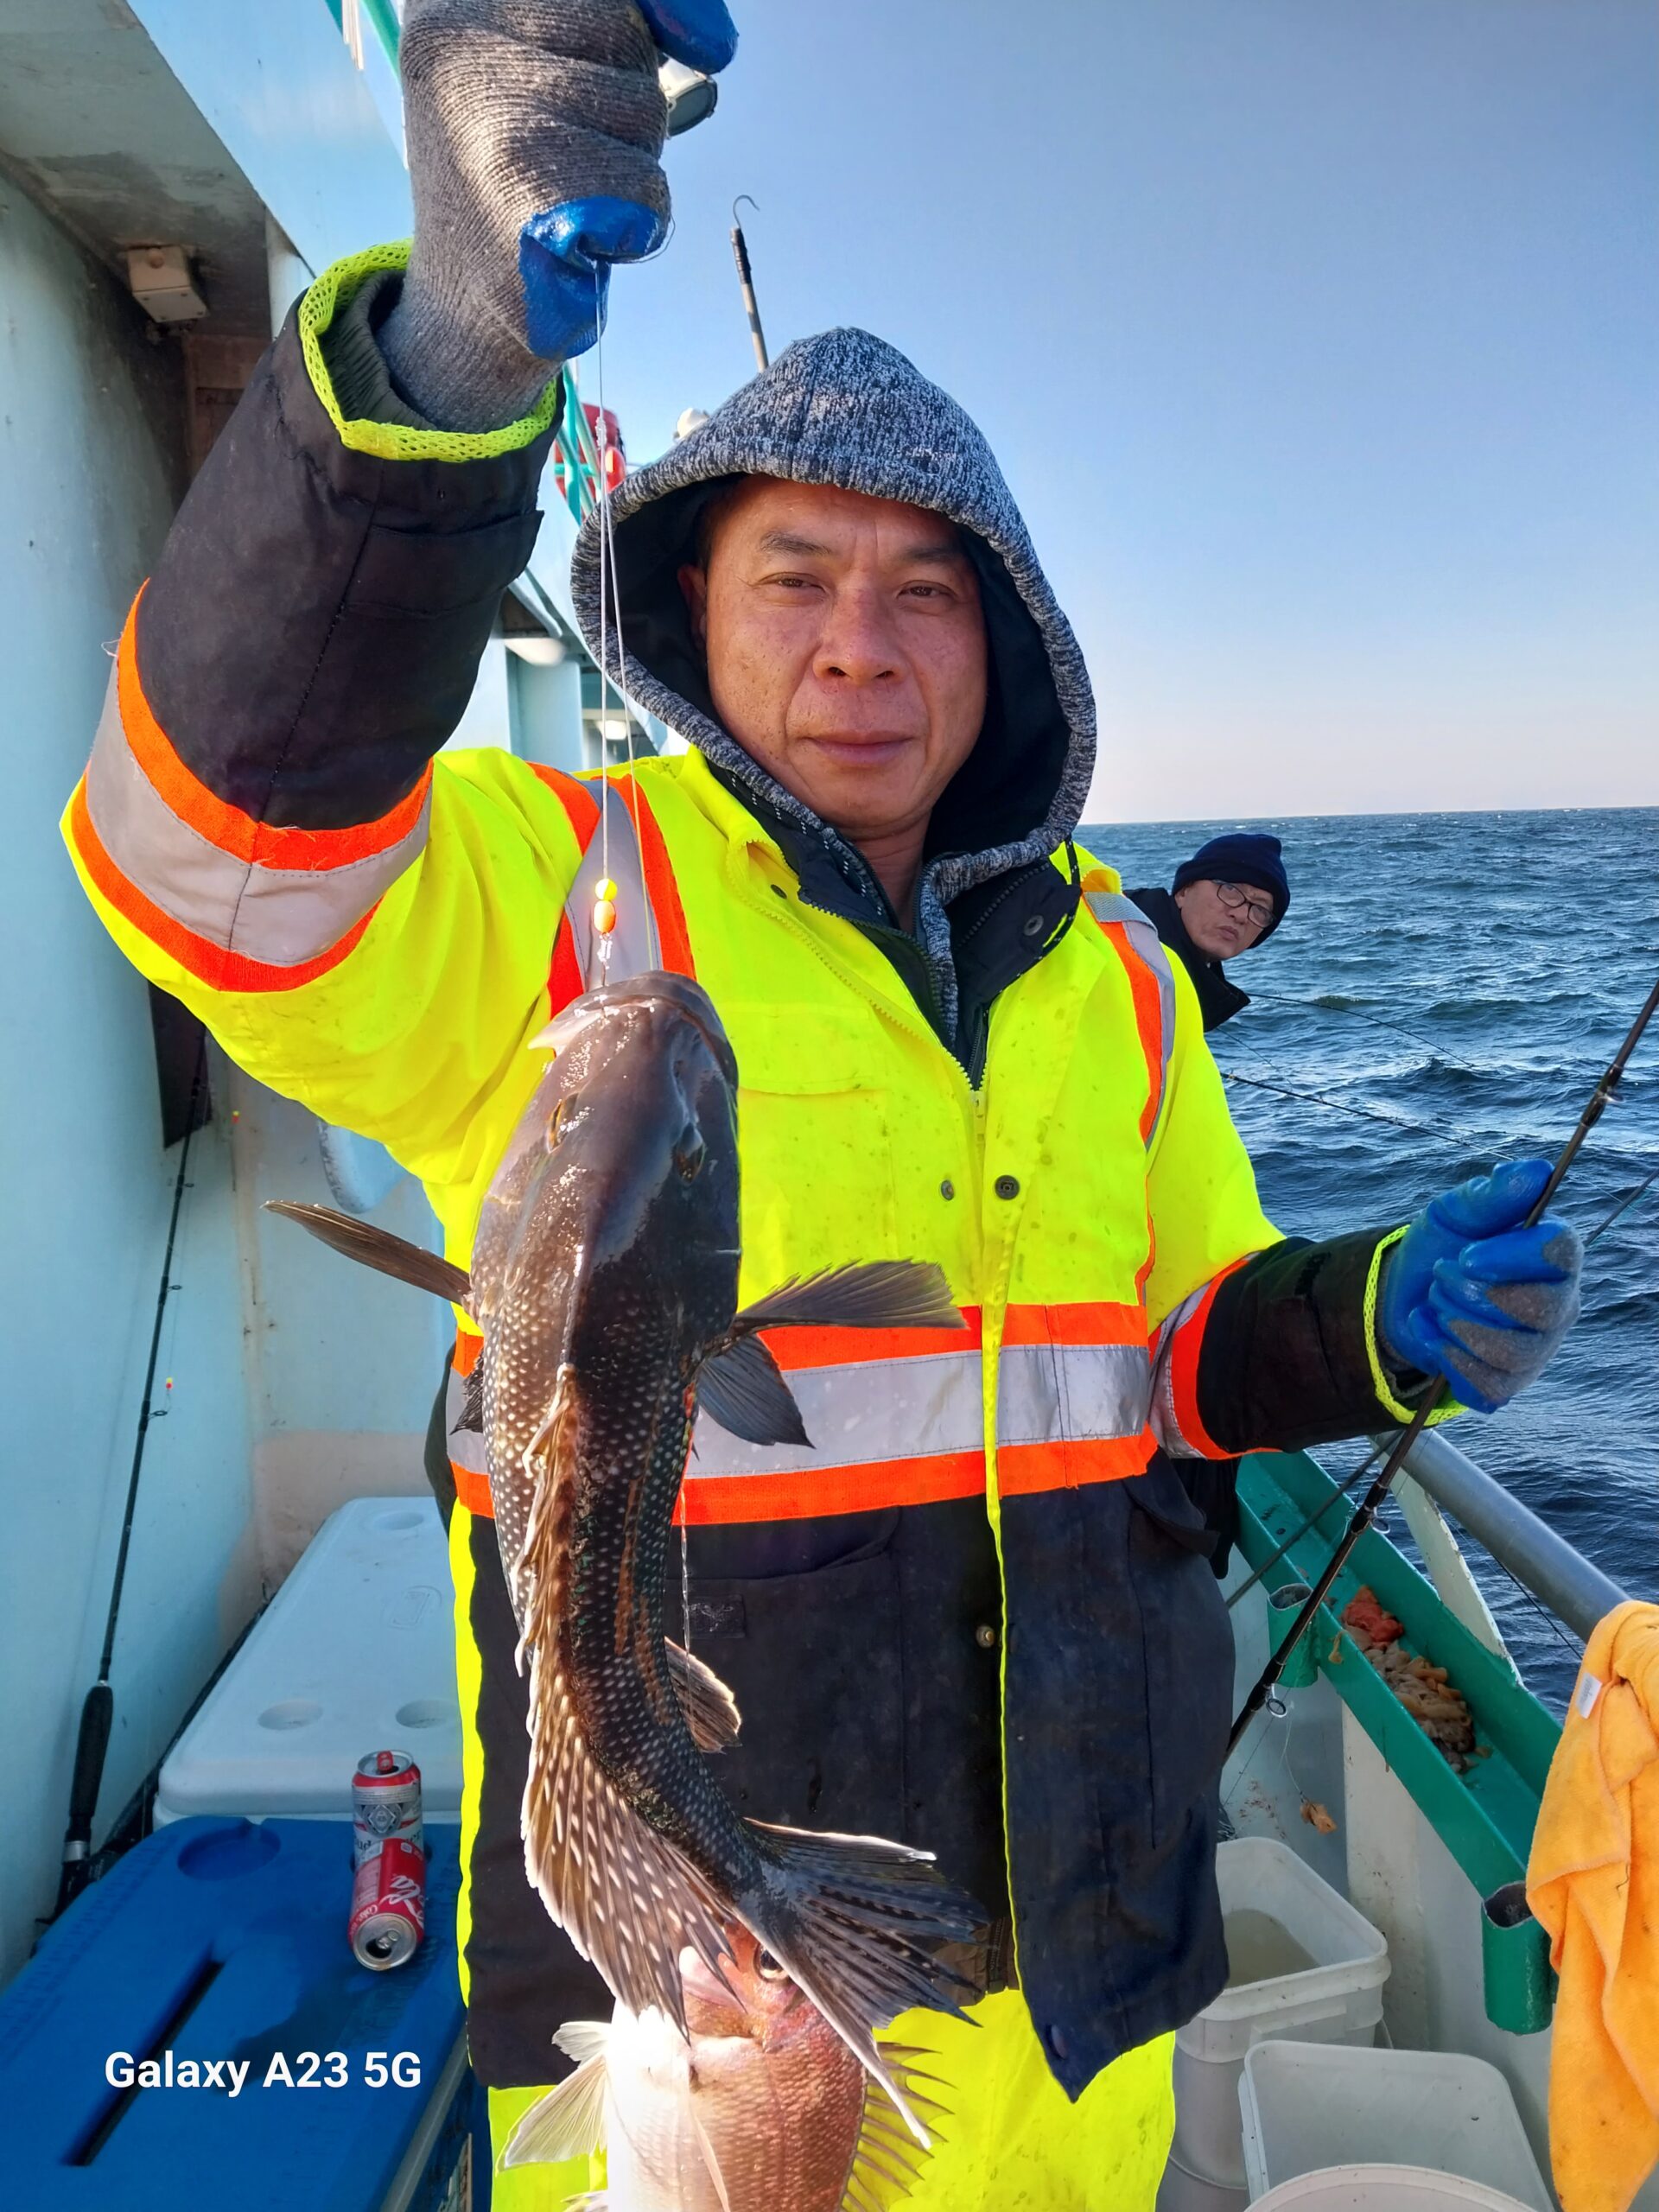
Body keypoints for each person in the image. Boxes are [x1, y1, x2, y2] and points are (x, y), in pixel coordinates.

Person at [61, 5, 1584, 2202]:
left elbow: (1181, 1356)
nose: (862, 644)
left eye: (926, 589)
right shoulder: (572, 893)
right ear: (697, 610)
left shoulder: (1127, 980)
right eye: (797, 575)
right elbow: (209, 856)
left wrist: (1372, 1322)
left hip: (1077, 1992)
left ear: (1008, 652)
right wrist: (449, 367)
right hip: (693, 1972)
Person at [1128, 832, 1290, 1032]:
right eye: (1230, 890)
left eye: (1260, 909)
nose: (1241, 915)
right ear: (1183, 892)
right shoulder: (1123, 949)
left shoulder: (1185, 988)